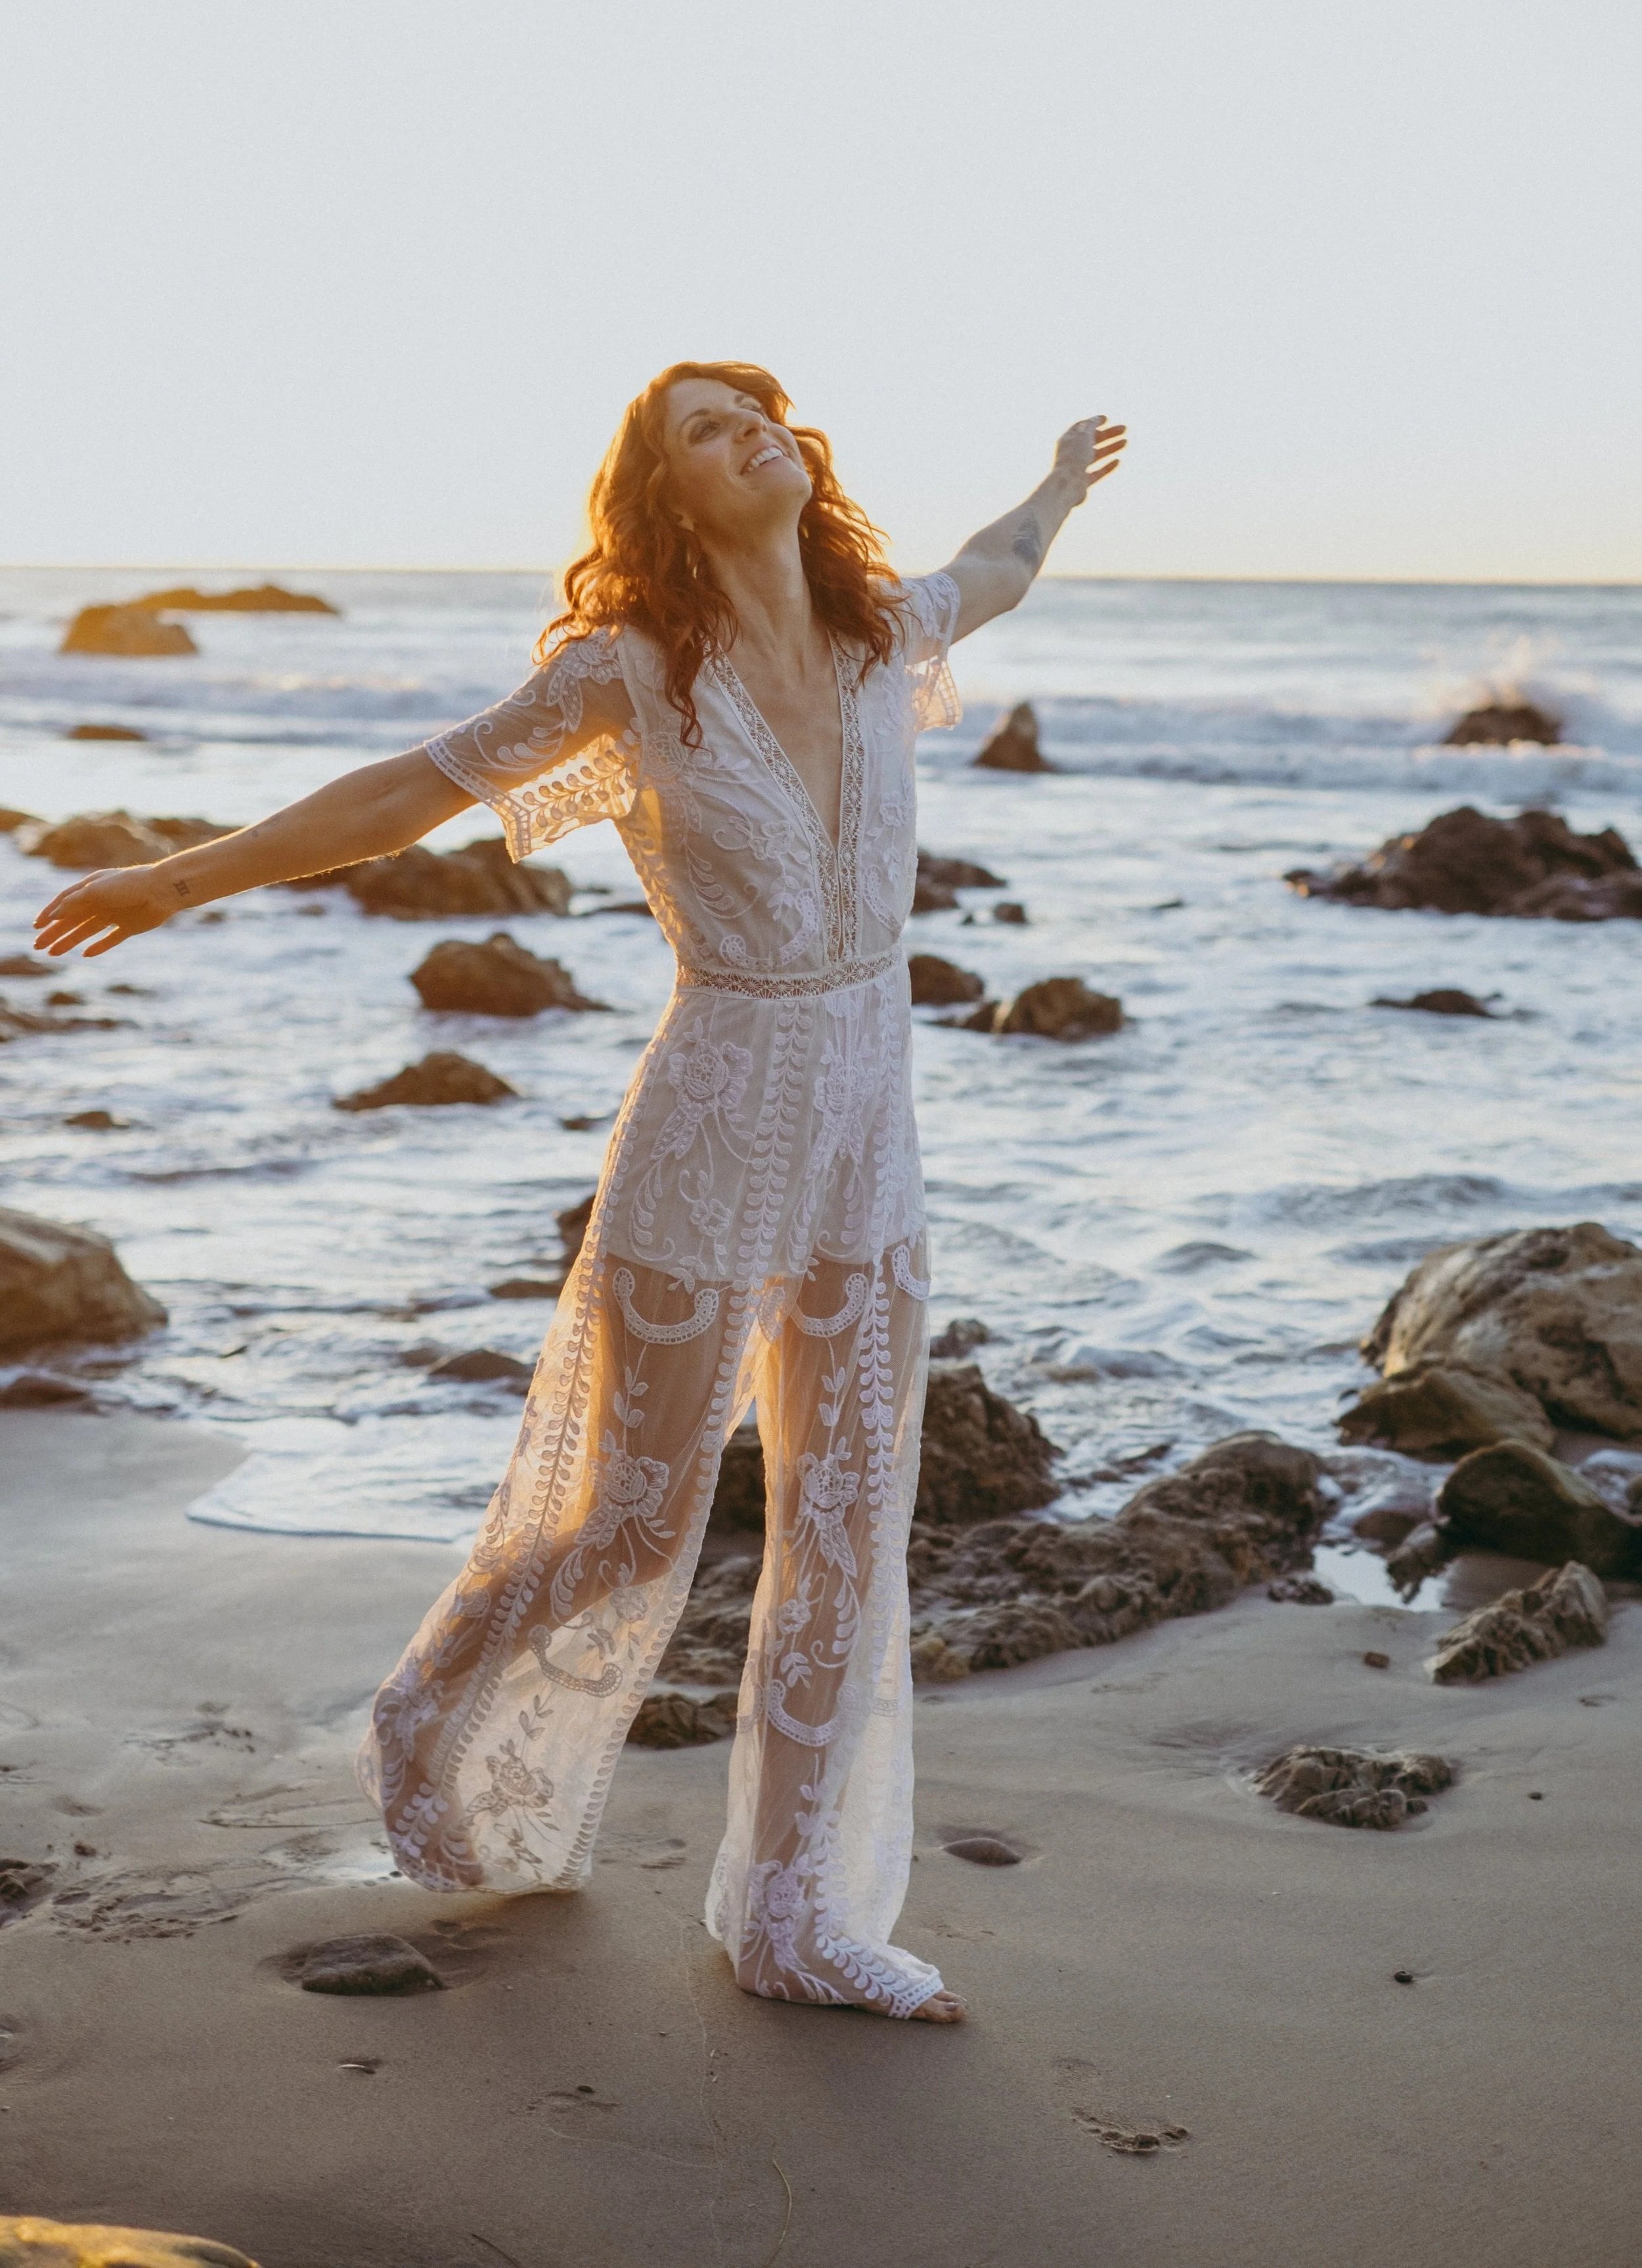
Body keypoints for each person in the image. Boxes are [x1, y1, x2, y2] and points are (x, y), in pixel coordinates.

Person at [35, 364, 1126, 2023]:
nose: (748, 427)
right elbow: (412, 792)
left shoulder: (879, 631)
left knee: (843, 1521)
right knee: (629, 1525)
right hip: (710, 1119)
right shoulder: (630, 673)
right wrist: (179, 877)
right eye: (702, 426)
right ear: (665, 498)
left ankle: (796, 1918)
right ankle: (433, 1722)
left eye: (758, 406)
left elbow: (1003, 562)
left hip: (866, 1130)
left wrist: (1057, 480)